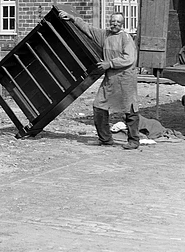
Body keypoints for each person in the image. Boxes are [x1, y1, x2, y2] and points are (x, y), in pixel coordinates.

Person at [59, 10, 141, 149]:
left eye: (118, 22)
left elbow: (129, 58)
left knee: (130, 108)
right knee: (99, 106)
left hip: (126, 78)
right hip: (111, 78)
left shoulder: (126, 38)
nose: (115, 24)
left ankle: (133, 141)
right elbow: (88, 29)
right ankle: (106, 139)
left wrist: (109, 64)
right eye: (113, 21)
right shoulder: (105, 35)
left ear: (122, 24)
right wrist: (72, 18)